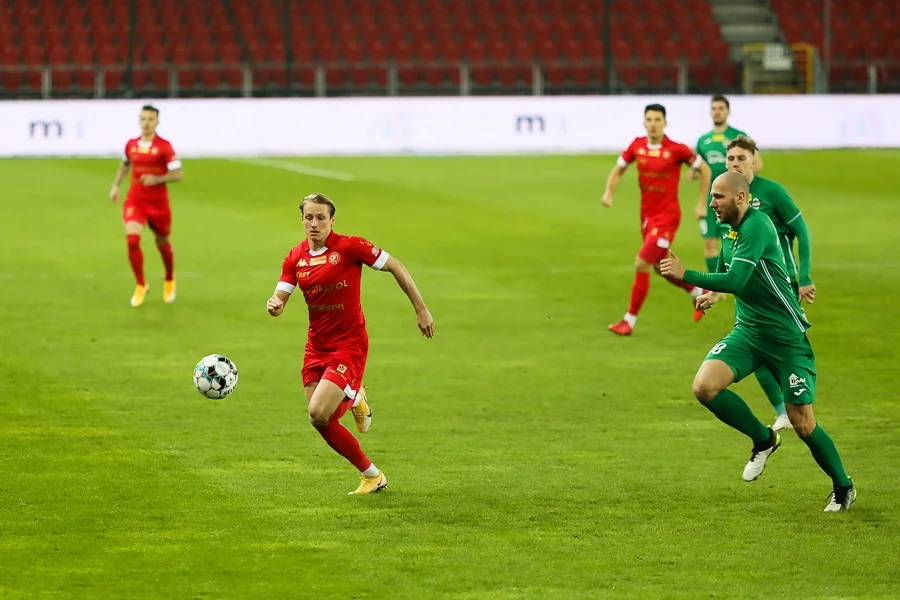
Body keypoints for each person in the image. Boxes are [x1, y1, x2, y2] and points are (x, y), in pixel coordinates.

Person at [660, 171, 855, 512]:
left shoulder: (758, 225)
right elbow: (727, 265)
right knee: (704, 387)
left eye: (718, 196)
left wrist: (686, 275)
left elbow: (736, 279)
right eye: (711, 196)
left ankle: (843, 486)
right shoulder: (727, 227)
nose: (711, 203)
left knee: (803, 422)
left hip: (785, 338)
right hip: (748, 332)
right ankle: (764, 439)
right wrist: (712, 294)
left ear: (740, 197)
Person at [266, 193, 435, 495]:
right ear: (301, 220)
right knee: (321, 420)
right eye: (309, 217)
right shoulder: (295, 257)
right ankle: (372, 475)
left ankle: (354, 395)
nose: (314, 223)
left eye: (321, 218)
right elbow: (281, 296)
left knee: (319, 412)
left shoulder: (350, 247)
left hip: (349, 343)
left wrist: (421, 309)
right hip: (316, 346)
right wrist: (275, 304)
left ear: (332, 220)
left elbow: (396, 265)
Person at [726, 135, 815, 432]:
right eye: (731, 158)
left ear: (754, 161)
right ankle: (784, 412)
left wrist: (805, 277)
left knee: (783, 345)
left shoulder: (772, 192)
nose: (736, 163)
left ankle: (800, 408)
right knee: (755, 344)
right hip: (747, 284)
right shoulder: (725, 195)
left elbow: (802, 230)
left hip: (781, 282)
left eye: (741, 158)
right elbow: (727, 245)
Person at [602, 103, 712, 336]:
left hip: (667, 218)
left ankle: (629, 321)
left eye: (657, 120)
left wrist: (702, 203)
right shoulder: (637, 146)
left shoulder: (677, 150)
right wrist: (608, 192)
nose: (653, 124)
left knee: (642, 262)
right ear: (644, 123)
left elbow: (705, 169)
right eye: (649, 120)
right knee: (660, 267)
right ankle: (698, 292)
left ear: (665, 123)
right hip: (647, 218)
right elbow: (618, 170)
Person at [109, 104, 183, 308]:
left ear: (157, 122)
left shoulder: (165, 147)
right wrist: (116, 186)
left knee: (162, 241)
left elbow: (178, 174)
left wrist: (157, 179)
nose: (146, 123)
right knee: (132, 240)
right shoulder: (131, 145)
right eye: (143, 119)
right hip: (136, 200)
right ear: (139, 121)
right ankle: (141, 284)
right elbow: (125, 164)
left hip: (158, 203)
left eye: (150, 119)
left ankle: (169, 278)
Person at [688, 95, 763, 273]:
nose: (717, 112)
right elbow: (700, 168)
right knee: (709, 244)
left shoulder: (738, 138)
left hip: (733, 199)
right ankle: (717, 284)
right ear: (710, 112)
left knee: (733, 244)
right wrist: (694, 173)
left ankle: (736, 279)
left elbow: (758, 164)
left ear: (728, 111)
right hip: (710, 199)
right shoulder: (703, 140)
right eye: (714, 108)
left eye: (721, 108)